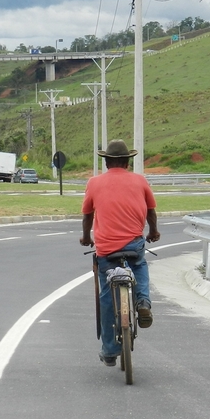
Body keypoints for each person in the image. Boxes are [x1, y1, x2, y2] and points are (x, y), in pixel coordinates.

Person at [79, 139, 161, 367]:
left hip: (106, 249)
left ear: (106, 163)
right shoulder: (140, 180)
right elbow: (151, 212)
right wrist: (153, 232)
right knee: (139, 266)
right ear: (127, 162)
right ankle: (143, 301)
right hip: (134, 245)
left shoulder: (94, 183)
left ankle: (109, 350)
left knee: (107, 294)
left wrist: (87, 237)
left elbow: (87, 216)